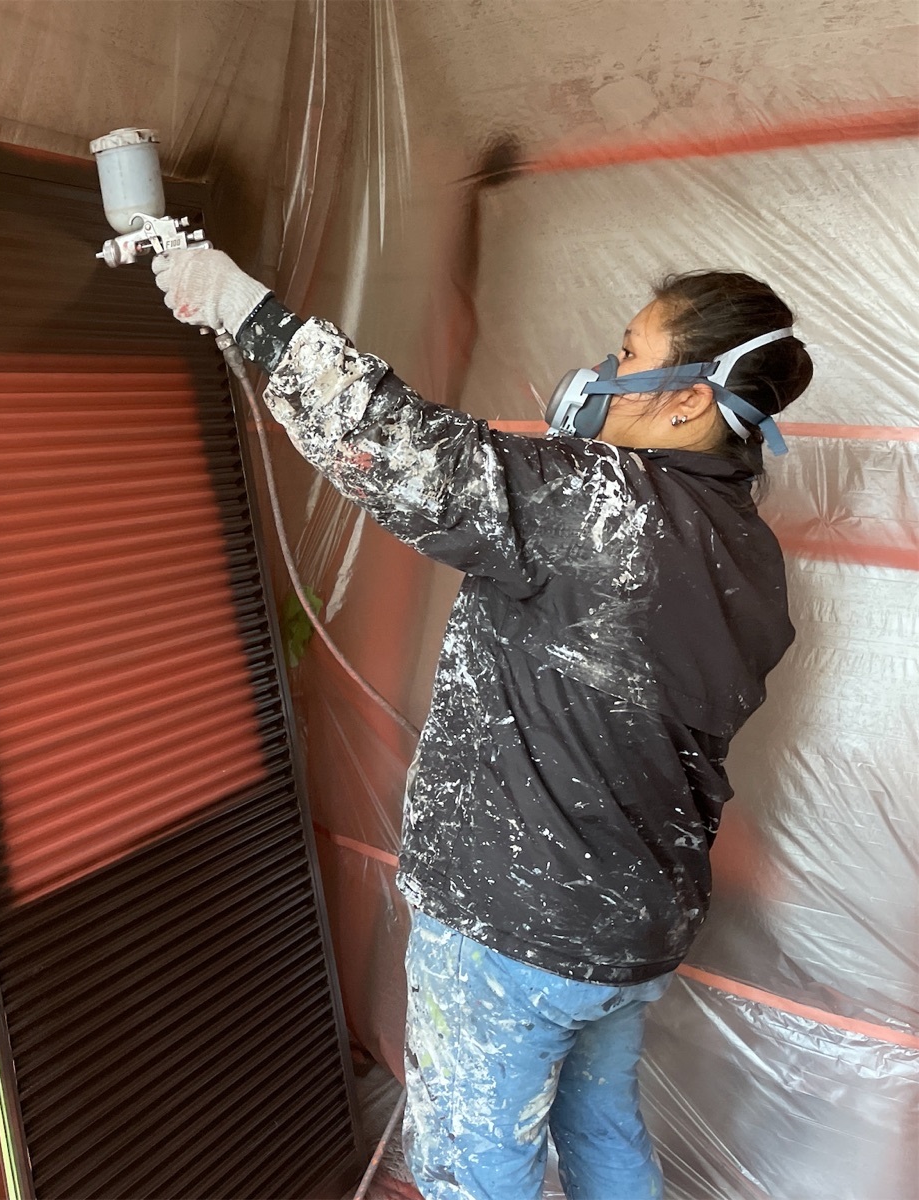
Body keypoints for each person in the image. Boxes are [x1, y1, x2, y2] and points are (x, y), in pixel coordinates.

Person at [152, 251, 813, 1200]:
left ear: (687, 401)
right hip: (634, 923)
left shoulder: (601, 503)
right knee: (601, 1128)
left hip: (516, 927)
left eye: (631, 354)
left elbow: (399, 445)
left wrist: (243, 309)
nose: (606, 373)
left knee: (474, 1165)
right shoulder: (749, 551)